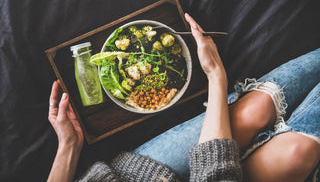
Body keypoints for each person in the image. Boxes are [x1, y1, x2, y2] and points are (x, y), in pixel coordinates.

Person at [47, 14, 320, 182]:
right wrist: (215, 76)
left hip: (137, 175)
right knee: (298, 152)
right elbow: (214, 174)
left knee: (254, 111)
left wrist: (68, 147)